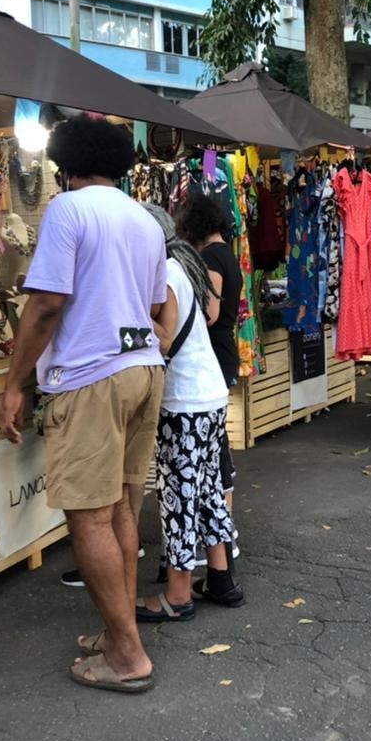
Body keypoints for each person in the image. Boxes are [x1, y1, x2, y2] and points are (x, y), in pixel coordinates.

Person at [0, 114, 166, 694]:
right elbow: (152, 304)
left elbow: (47, 304)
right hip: (142, 367)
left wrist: (15, 383)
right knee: (121, 510)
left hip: (92, 375)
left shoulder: (68, 210)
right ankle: (120, 634)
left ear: (64, 165)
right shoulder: (144, 219)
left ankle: (127, 654)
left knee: (91, 517)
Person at [135, 205, 241, 623]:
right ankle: (221, 578)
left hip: (185, 403)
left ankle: (178, 594)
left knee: (179, 496)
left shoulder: (164, 273)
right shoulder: (183, 266)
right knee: (210, 490)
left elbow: (163, 338)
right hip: (208, 395)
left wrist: (127, 317)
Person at [176, 192, 243, 533]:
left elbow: (210, 312)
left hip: (214, 353)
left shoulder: (211, 258)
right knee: (217, 442)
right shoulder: (227, 254)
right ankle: (223, 526)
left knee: (215, 447)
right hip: (224, 351)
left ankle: (222, 527)